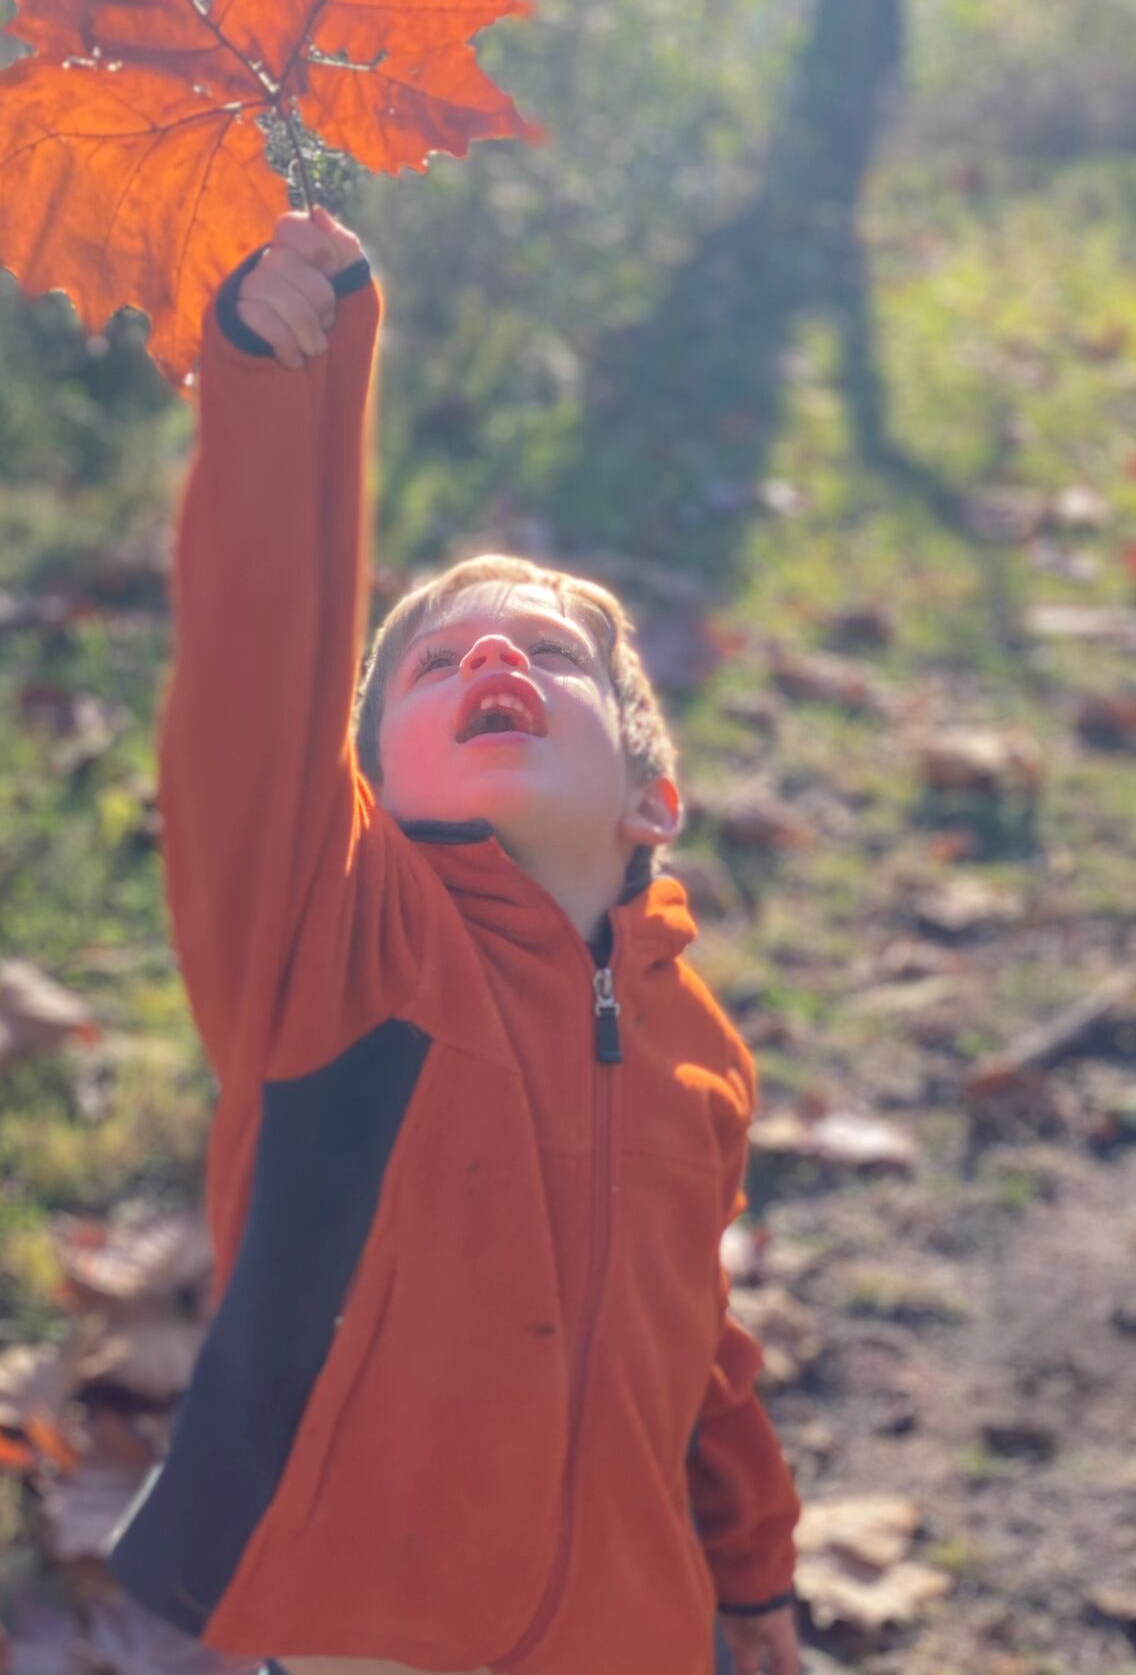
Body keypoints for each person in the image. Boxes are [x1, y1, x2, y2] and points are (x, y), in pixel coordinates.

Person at [103, 206, 804, 1675]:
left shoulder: (700, 1050)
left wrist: (752, 1574)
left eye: (552, 656)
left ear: (653, 795)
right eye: (437, 665)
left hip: (635, 1638)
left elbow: (697, 1342)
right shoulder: (334, 949)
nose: (496, 654)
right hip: (378, 1634)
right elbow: (253, 682)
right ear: (368, 785)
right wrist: (288, 382)